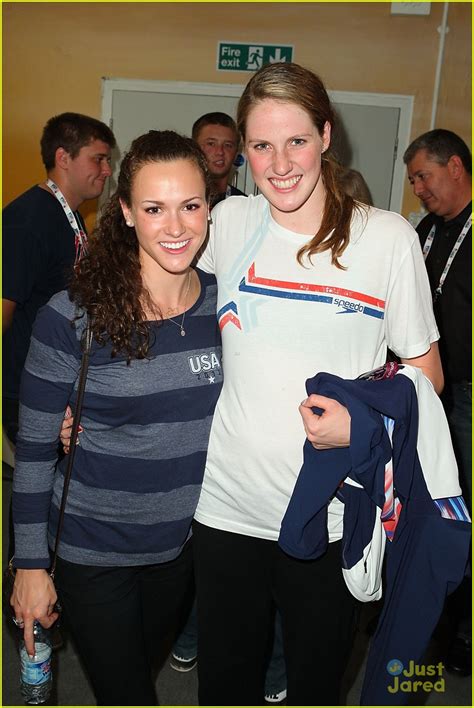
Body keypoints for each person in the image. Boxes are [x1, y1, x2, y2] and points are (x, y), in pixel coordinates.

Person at [192, 62, 443, 706]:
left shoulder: (386, 239)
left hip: (330, 516)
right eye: (260, 145)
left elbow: (426, 376)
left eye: (296, 140)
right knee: (225, 687)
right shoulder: (228, 223)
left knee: (312, 687)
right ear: (241, 151)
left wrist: (363, 426)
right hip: (226, 510)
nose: (279, 163)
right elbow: (148, 287)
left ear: (326, 136)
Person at [10, 130, 223, 706]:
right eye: (154, 208)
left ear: (211, 206)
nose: (176, 227)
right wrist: (29, 565)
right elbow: (31, 454)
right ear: (126, 211)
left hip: (180, 551)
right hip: (91, 549)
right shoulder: (73, 317)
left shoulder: (225, 307)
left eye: (191, 206)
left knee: (136, 675)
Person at [2, 112, 116, 445]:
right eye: (99, 159)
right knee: (34, 480)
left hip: (55, 377)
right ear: (63, 158)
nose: (107, 170)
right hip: (25, 385)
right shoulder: (27, 221)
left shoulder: (70, 216)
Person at [404, 129, 472, 677]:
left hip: (468, 396)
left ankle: (458, 632)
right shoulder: (426, 231)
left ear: (455, 166)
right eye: (413, 180)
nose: (418, 189)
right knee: (424, 503)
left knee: (461, 508)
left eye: (423, 176)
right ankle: (421, 619)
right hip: (426, 389)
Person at [192, 111, 246, 206]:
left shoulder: (245, 206)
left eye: (228, 145)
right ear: (194, 148)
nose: (220, 151)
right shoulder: (178, 197)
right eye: (211, 144)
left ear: (236, 152)